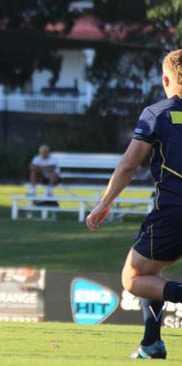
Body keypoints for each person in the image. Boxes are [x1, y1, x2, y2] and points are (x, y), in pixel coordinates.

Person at [86, 49, 182, 360]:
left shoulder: (158, 113)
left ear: (165, 79)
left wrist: (105, 203)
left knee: (134, 279)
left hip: (174, 214)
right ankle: (151, 342)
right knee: (152, 271)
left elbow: (129, 165)